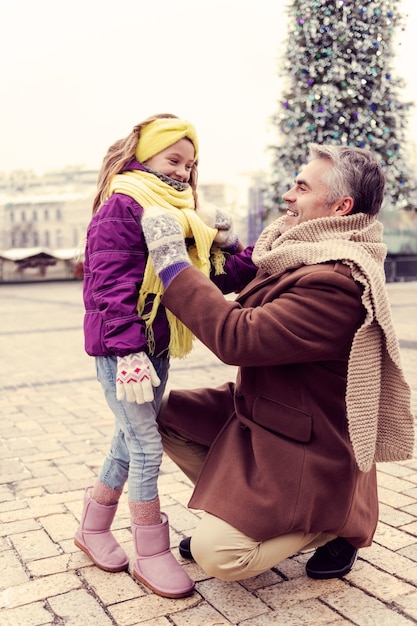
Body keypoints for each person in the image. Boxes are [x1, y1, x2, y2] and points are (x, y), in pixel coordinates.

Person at [140, 143, 415, 583]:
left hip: (310, 443)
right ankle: (245, 515)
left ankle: (333, 525)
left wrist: (172, 265)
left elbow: (239, 336)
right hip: (265, 415)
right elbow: (250, 276)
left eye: (301, 187)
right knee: (166, 415)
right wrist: (224, 245)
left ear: (339, 206)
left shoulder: (338, 282)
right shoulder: (299, 250)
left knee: (219, 557)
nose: (288, 195)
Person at [74, 113, 256, 598]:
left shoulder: (184, 215)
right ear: (144, 155)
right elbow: (108, 285)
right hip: (125, 351)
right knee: (146, 445)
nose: (182, 172)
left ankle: (91, 529)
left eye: (189, 165)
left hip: (154, 347)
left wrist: (245, 249)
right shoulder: (122, 206)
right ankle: (150, 553)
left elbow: (207, 280)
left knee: (127, 439)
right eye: (173, 160)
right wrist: (128, 349)